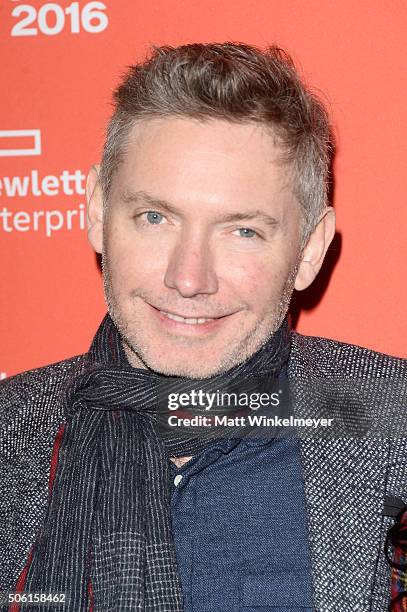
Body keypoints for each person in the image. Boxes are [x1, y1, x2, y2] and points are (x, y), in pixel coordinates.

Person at [0, 43, 406, 612]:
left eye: (242, 231)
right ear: (95, 211)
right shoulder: (10, 427)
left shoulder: (389, 415)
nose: (189, 279)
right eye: (155, 217)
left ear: (310, 247)